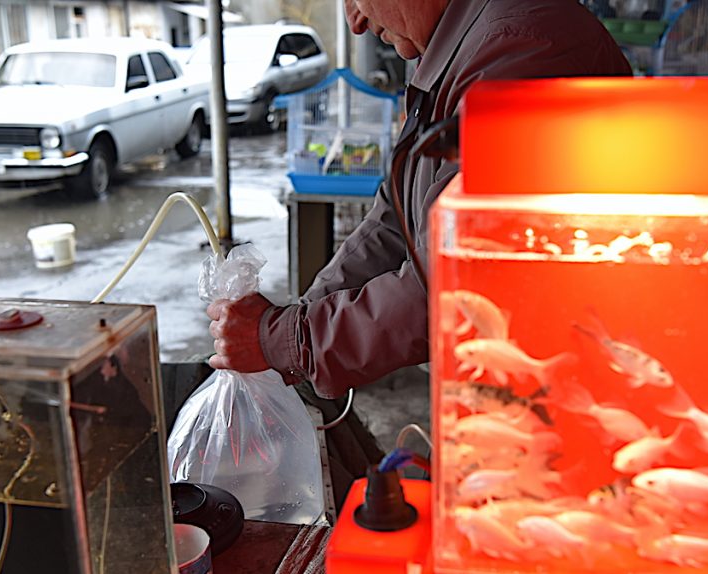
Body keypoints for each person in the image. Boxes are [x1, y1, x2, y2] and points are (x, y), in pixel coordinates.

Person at [208, 0, 632, 400]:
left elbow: (459, 278)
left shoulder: (524, 52)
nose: (355, 21)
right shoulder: (468, 51)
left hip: (570, 383)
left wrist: (287, 340)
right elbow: (394, 222)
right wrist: (293, 324)